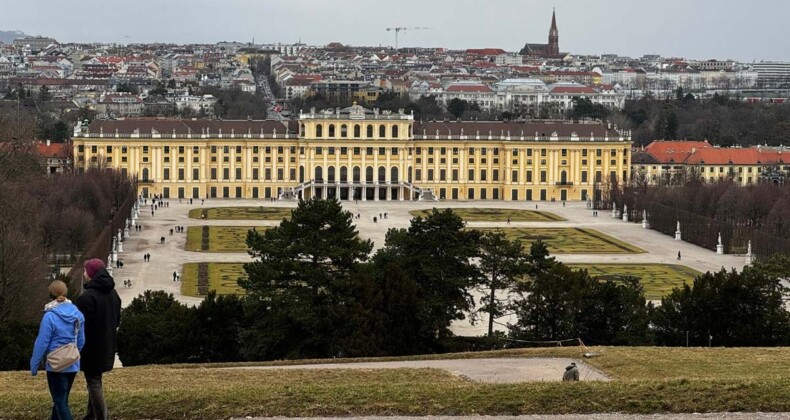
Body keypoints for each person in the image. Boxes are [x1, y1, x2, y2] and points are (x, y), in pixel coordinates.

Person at [30, 280, 86, 420]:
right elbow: (81, 340)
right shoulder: (77, 314)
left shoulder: (49, 316)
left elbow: (42, 343)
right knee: (61, 400)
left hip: (55, 364)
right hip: (72, 363)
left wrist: (34, 364)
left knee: (60, 402)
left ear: (50, 294)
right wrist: (72, 354)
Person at [76, 259, 122, 420]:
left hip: (91, 347)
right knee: (95, 380)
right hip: (107, 344)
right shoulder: (113, 293)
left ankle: (101, 417)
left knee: (94, 382)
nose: (83, 273)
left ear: (91, 274)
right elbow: (117, 320)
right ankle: (91, 415)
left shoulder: (86, 298)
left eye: (85, 270)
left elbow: (79, 327)